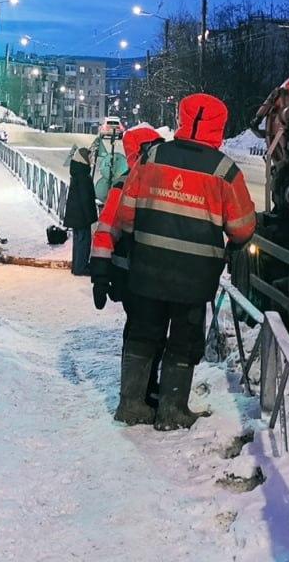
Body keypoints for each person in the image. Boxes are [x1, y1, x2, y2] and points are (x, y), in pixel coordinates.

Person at [113, 94, 256, 430]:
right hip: (195, 277)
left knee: (143, 333)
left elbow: (126, 214)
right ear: (220, 126)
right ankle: (172, 411)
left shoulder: (152, 157)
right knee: (182, 339)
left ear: (182, 117)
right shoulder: (225, 171)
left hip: (147, 267)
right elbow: (242, 228)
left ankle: (131, 404)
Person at [90, 124, 164, 413]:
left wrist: (100, 275)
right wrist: (100, 275)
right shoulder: (127, 185)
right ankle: (140, 391)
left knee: (146, 331)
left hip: (137, 274)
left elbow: (105, 231)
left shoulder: (129, 183)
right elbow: (106, 230)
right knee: (143, 333)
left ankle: (143, 389)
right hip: (138, 275)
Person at [62, 146, 98, 276]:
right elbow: (85, 198)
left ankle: (77, 266)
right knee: (83, 242)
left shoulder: (77, 172)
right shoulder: (83, 176)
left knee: (78, 241)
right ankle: (80, 267)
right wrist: (91, 217)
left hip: (75, 214)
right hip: (82, 216)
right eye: (89, 157)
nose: (91, 159)